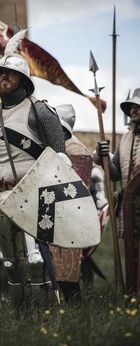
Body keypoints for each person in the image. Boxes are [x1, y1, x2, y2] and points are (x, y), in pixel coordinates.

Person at [0, 52, 66, 308]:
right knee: (11, 263)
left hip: (32, 195)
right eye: (0, 73)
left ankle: (43, 313)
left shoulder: (40, 111)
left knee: (35, 261)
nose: (4, 76)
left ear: (23, 79)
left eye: (10, 73)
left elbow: (59, 158)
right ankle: (18, 316)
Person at [95, 87, 140, 296]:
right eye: (131, 107)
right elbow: (114, 174)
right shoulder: (125, 138)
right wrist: (103, 157)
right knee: (131, 250)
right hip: (130, 205)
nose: (133, 110)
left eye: (137, 106)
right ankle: (132, 293)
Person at [49, 104, 92, 302]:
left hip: (71, 217)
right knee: (53, 266)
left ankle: (74, 307)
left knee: (68, 267)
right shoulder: (53, 147)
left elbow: (78, 189)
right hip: (52, 214)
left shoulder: (76, 149)